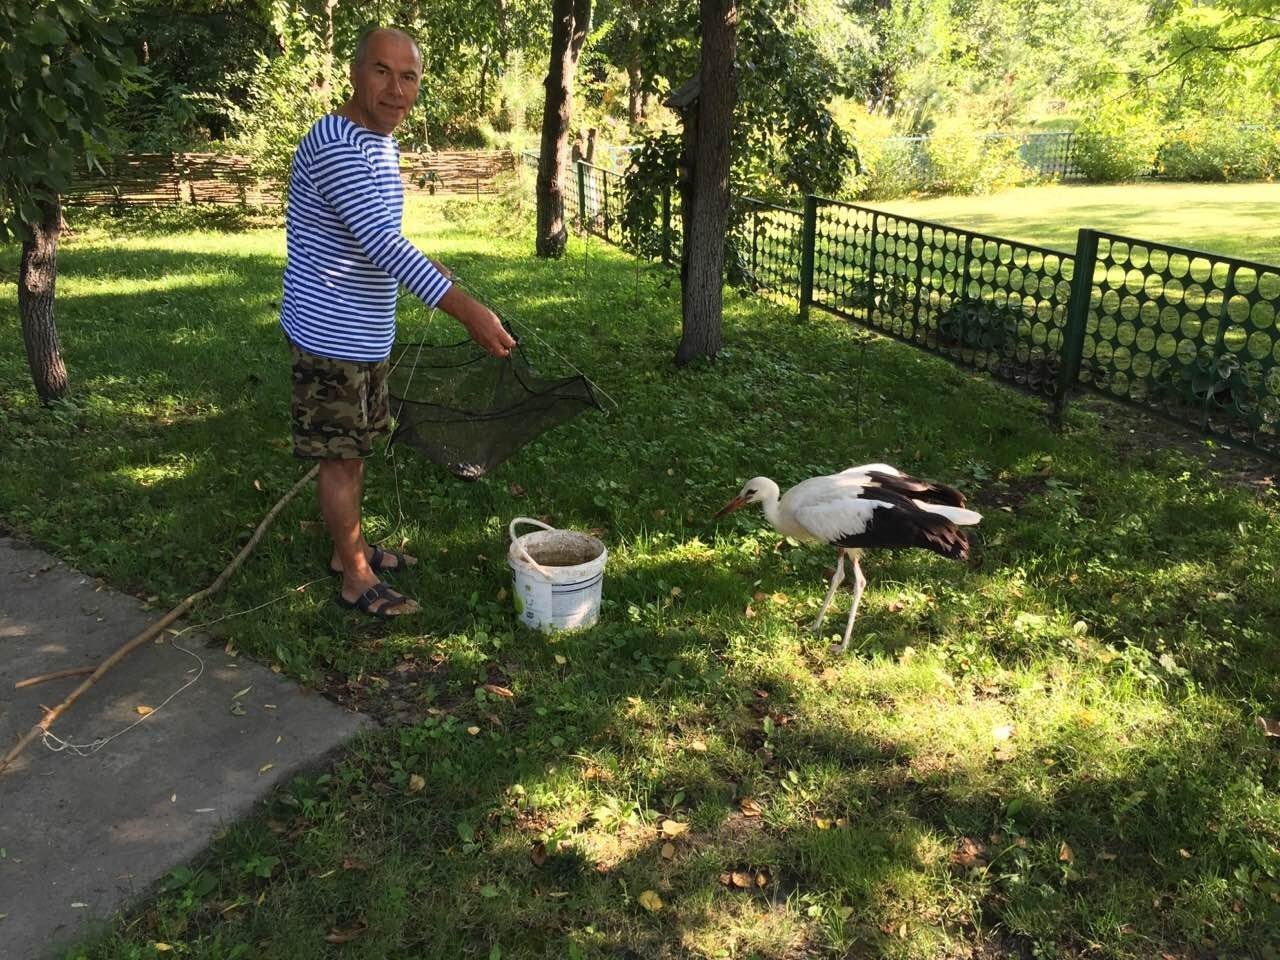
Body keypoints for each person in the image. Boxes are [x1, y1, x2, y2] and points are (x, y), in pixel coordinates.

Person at [281, 26, 516, 618]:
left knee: (355, 448)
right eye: (382, 71)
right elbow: (383, 243)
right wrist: (468, 311)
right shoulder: (336, 142)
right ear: (357, 72)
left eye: (408, 76)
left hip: (364, 333)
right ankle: (355, 579)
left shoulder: (378, 143)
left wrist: (432, 266)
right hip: (330, 336)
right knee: (339, 456)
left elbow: (376, 236)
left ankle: (348, 552)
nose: (396, 89)